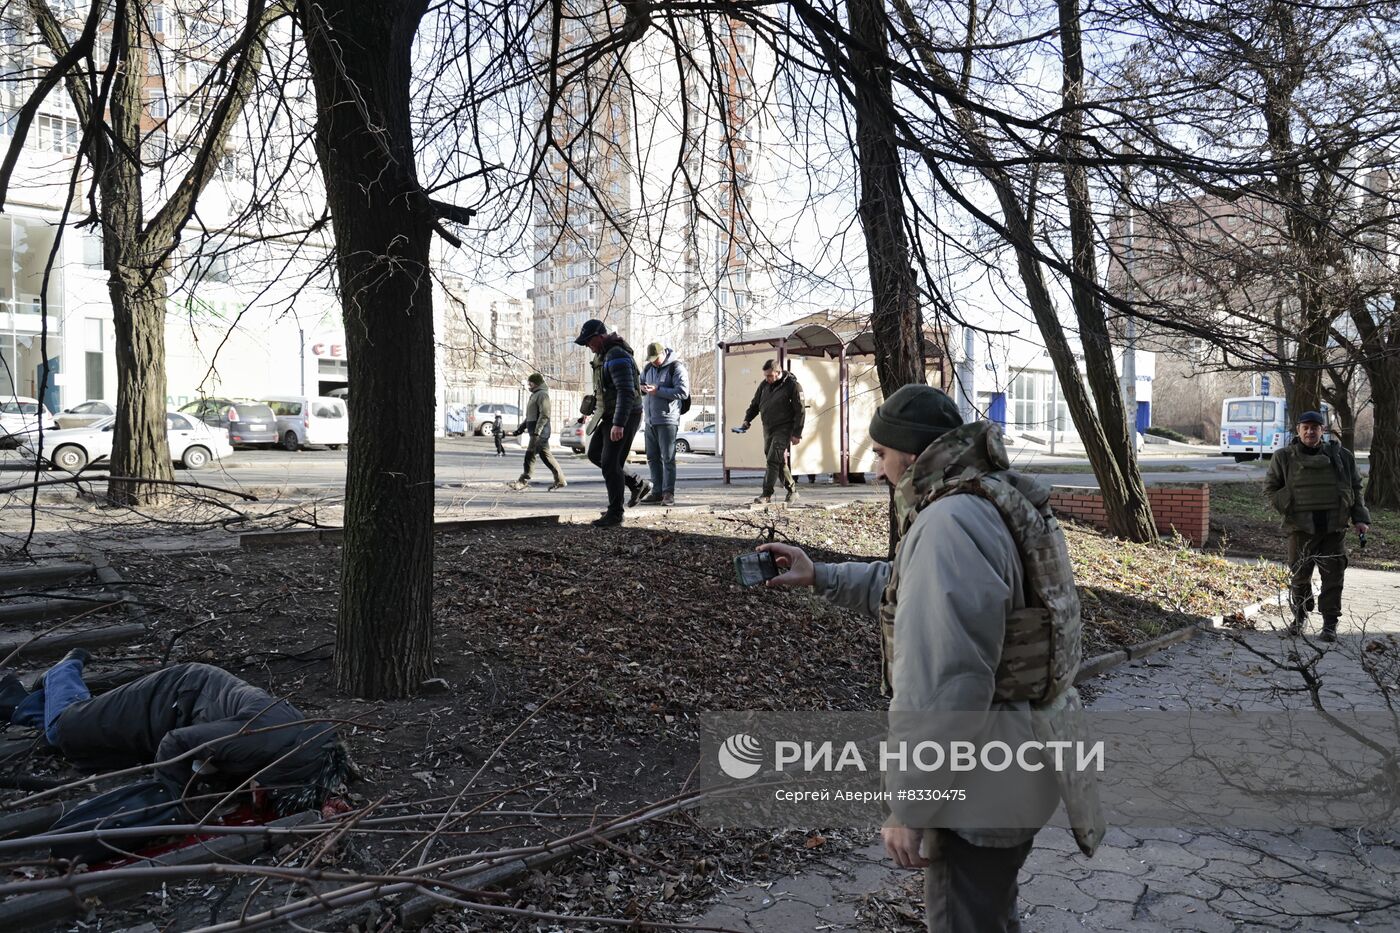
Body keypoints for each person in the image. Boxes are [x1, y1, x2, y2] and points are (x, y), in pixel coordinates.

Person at [760, 385, 1103, 932]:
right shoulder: (987, 499)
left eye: (880, 453)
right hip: (1020, 758)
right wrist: (819, 574)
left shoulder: (948, 525)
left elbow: (946, 687)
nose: (875, 470)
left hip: (979, 785)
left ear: (913, 457)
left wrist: (910, 807)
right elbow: (913, 589)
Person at [0, 653, 349, 859]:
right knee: (64, 730)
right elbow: (175, 743)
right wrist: (172, 803)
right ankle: (64, 670)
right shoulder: (260, 740)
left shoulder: (301, 750)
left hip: (185, 706)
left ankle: (12, 698)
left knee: (83, 745)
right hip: (172, 696)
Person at [1264, 410, 1370, 642]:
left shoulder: (1341, 456)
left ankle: (1329, 624)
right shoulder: (1283, 457)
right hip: (1300, 528)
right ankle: (1300, 616)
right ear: (1298, 430)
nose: (1310, 431)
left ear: (1323, 430)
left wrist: (1360, 518)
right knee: (1299, 576)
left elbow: (1355, 488)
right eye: (1306, 427)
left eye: (1315, 427)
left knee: (1333, 578)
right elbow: (1270, 488)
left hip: (1334, 527)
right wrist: (1291, 501)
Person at [576, 319, 650, 526]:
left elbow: (626, 392)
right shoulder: (604, 355)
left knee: (610, 464)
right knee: (595, 454)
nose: (588, 347)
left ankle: (615, 514)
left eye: (589, 342)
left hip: (625, 415)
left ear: (599, 337)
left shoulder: (617, 355)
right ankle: (637, 484)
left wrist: (619, 424)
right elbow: (607, 389)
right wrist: (592, 408)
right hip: (610, 414)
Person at [741, 359, 805, 504]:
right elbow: (755, 404)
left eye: (770, 376)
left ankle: (766, 494)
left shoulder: (793, 386)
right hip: (768, 427)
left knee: (772, 460)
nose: (767, 379)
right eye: (766, 376)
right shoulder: (764, 385)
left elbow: (800, 411)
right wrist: (747, 419)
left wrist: (797, 433)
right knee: (777, 460)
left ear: (778, 372)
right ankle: (793, 491)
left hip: (784, 428)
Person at [640, 341, 690, 506]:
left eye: (656, 358)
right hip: (650, 420)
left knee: (668, 458)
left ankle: (668, 493)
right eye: (651, 359)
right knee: (652, 457)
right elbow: (640, 384)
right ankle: (657, 492)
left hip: (668, 420)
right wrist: (642, 388)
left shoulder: (675, 367)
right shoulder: (648, 369)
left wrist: (658, 391)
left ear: (663, 353)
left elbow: (683, 391)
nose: (654, 362)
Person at [509, 373, 567, 491]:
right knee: (546, 456)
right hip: (536, 432)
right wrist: (520, 429)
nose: (529, 385)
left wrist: (537, 432)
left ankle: (523, 480)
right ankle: (560, 480)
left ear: (536, 384)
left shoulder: (542, 395)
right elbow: (530, 416)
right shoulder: (535, 395)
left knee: (530, 455)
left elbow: (545, 414)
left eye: (530, 383)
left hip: (540, 432)